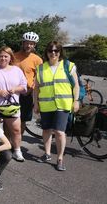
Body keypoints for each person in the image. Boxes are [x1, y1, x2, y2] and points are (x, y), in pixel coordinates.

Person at [33, 41, 80, 171]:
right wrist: (35, 103)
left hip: (63, 104)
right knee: (46, 130)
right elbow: (36, 88)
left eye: (56, 51)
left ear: (60, 52)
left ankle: (60, 158)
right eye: (50, 51)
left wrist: (76, 101)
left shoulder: (69, 66)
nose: (53, 53)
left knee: (59, 131)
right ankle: (47, 154)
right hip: (46, 104)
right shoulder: (41, 68)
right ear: (46, 53)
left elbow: (76, 85)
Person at [0, 46, 27, 162]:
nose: (3, 58)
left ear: (10, 57)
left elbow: (24, 85)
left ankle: (17, 150)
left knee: (16, 130)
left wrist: (15, 89)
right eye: (1, 56)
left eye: (6, 56)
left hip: (11, 107)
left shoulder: (17, 70)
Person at [13, 32, 43, 136]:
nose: (28, 46)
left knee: (22, 120)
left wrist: (31, 90)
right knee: (10, 119)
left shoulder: (37, 60)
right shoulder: (14, 56)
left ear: (34, 45)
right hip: (13, 92)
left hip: (27, 93)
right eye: (26, 43)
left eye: (31, 43)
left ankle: (17, 143)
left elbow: (38, 78)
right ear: (23, 43)